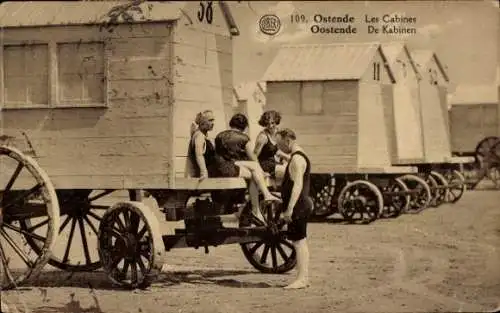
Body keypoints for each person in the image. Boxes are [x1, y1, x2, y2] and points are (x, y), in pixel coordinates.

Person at [213, 113, 281, 222]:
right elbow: (253, 157)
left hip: (219, 168)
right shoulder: (244, 138)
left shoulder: (219, 135)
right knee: (255, 171)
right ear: (244, 126)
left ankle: (253, 209)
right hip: (231, 168)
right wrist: (262, 172)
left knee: (254, 171)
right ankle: (258, 205)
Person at [275, 128, 312, 289]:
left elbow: (297, 185)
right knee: (300, 241)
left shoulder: (297, 160)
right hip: (301, 204)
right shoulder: (299, 155)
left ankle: (302, 279)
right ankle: (303, 277)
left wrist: (289, 209)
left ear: (287, 140)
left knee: (299, 242)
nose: (279, 148)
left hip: (298, 206)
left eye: (280, 144)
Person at [254, 110, 289, 185]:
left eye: (272, 123)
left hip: (274, 163)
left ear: (276, 121)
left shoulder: (278, 134)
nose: (270, 126)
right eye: (267, 124)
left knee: (293, 169)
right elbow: (254, 156)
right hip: (265, 165)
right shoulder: (262, 137)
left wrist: (287, 158)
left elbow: (277, 150)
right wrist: (260, 171)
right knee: (288, 172)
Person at [187, 110, 216, 179]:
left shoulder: (201, 134)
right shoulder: (199, 136)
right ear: (202, 122)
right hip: (208, 175)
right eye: (210, 120)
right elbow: (199, 155)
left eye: (213, 120)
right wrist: (204, 173)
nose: (213, 123)